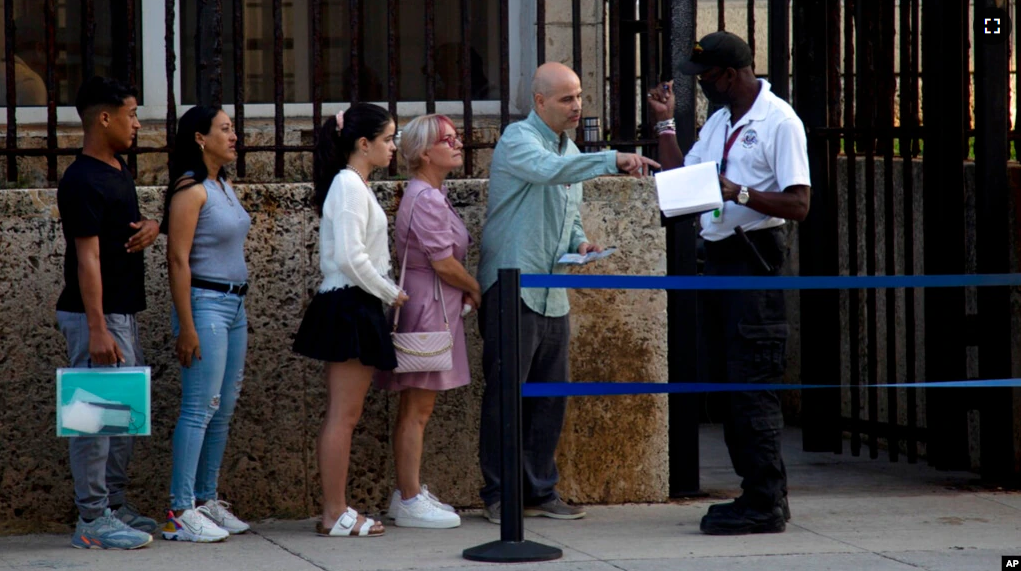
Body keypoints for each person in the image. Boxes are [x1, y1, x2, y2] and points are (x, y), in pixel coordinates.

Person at [476, 62, 659, 524]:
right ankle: (500, 496)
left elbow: (570, 209)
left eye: (578, 96)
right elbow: (551, 173)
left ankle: (540, 490)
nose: (577, 106)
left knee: (549, 396)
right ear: (539, 102)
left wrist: (581, 242)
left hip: (552, 289)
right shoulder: (520, 140)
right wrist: (611, 159)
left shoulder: (569, 148)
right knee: (506, 395)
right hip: (512, 287)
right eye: (565, 98)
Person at [649, 31, 811, 535]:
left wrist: (738, 189)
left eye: (709, 78)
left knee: (752, 385)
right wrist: (666, 124)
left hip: (754, 262)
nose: (704, 88)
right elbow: (686, 180)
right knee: (727, 384)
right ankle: (755, 492)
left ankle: (766, 500)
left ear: (733, 74)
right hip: (717, 261)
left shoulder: (780, 122)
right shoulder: (720, 122)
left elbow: (799, 204)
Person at [292, 103, 408, 537]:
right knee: (343, 414)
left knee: (347, 413)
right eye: (388, 139)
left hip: (356, 302)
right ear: (364, 144)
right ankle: (334, 512)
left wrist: (383, 291)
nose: (394, 147)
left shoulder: (354, 184)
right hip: (349, 303)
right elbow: (349, 256)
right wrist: (391, 291)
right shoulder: (348, 185)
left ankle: (336, 510)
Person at [55, 76, 159, 549]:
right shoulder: (81, 180)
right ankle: (91, 520)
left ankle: (113, 505)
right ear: (104, 117)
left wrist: (153, 226)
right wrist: (97, 327)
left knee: (121, 419)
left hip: (122, 312)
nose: (137, 123)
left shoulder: (117, 168)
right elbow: (87, 258)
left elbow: (122, 229)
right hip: (95, 317)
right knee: (93, 421)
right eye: (131, 114)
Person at [376, 114, 476, 529]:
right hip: (430, 306)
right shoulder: (428, 198)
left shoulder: (431, 193)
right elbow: (442, 262)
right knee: (418, 407)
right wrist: (476, 288)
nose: (457, 145)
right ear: (423, 152)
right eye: (447, 140)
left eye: (455, 138)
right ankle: (409, 495)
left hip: (434, 304)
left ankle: (410, 491)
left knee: (418, 406)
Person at [160, 106, 251, 543]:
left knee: (223, 407)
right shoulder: (190, 190)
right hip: (206, 304)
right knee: (200, 407)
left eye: (233, 129)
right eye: (225, 129)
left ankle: (206, 497)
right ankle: (180, 509)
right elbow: (177, 259)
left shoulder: (222, 185)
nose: (233, 136)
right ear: (200, 137)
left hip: (235, 307)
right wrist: (187, 325)